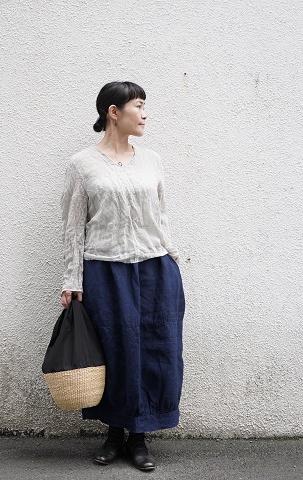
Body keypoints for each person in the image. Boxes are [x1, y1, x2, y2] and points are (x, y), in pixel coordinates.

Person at [60, 81, 185, 471]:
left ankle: (140, 437)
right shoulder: (82, 165)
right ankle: (114, 433)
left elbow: (160, 216)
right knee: (113, 350)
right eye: (139, 106)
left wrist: (172, 258)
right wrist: (72, 279)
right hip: (105, 269)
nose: (145, 114)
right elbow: (73, 227)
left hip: (154, 268)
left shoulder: (152, 161)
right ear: (113, 112)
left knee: (155, 351)